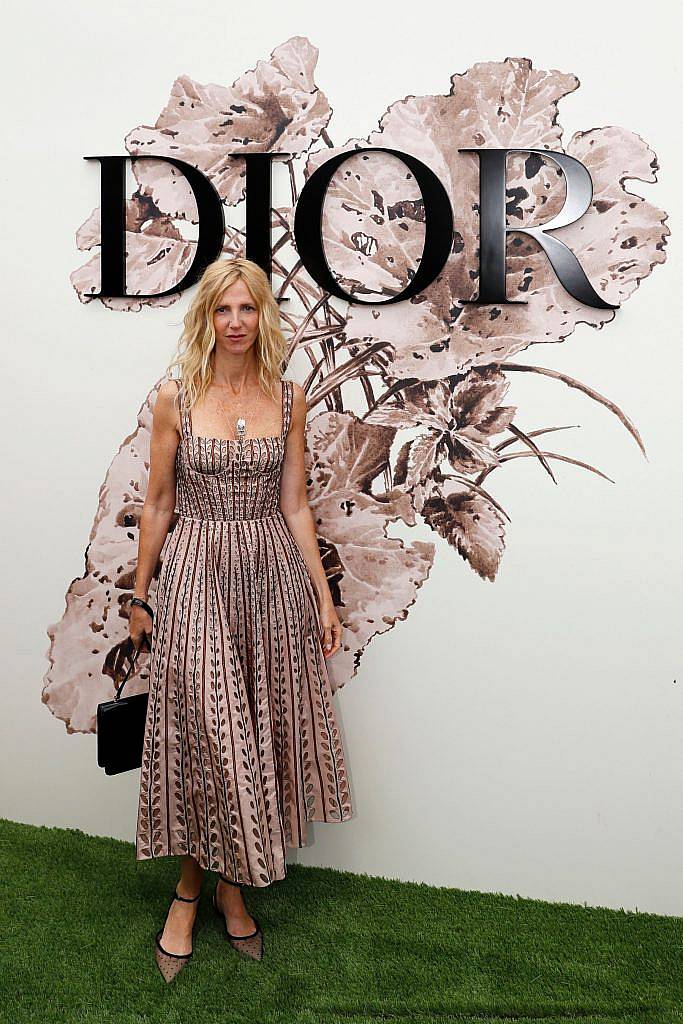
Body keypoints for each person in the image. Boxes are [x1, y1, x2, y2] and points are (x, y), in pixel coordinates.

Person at [129, 256, 354, 982]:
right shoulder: (174, 396)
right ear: (206, 317)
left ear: (264, 318)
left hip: (269, 580)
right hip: (195, 571)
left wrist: (321, 596)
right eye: (223, 310)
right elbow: (158, 503)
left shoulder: (290, 398)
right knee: (209, 736)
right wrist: (139, 595)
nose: (234, 322)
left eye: (247, 310)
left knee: (254, 732)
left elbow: (295, 504)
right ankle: (194, 892)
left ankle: (223, 888)